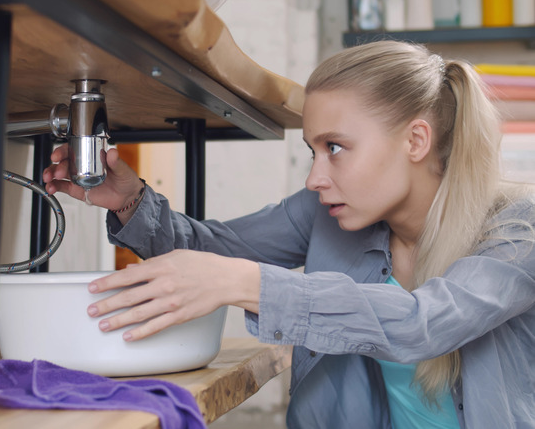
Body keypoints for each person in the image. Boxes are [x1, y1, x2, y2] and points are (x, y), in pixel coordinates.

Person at [42, 40, 535, 428]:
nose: (315, 178)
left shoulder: (516, 230)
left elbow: (424, 323)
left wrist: (245, 283)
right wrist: (130, 200)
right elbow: (211, 252)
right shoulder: (326, 212)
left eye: (336, 147)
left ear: (416, 140)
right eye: (312, 150)